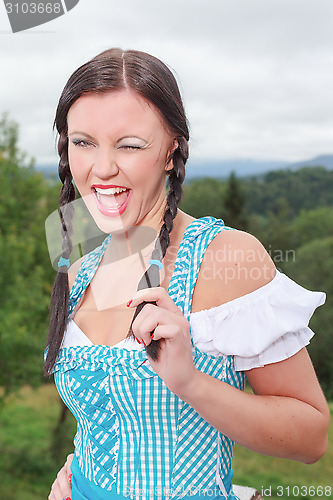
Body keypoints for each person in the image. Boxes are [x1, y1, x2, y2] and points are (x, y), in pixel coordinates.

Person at [46, 48, 330, 500]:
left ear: (170, 149)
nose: (101, 169)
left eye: (130, 145)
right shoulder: (80, 267)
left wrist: (190, 382)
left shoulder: (227, 259)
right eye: (83, 142)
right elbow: (106, 416)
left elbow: (312, 437)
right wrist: (80, 470)